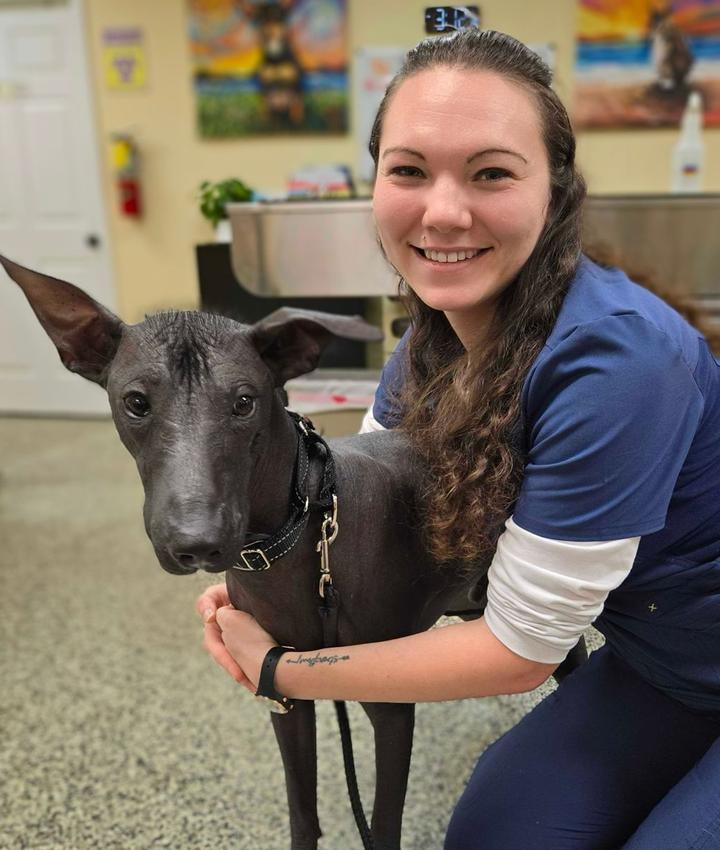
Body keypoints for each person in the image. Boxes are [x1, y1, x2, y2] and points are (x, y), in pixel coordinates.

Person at [195, 28, 720, 849]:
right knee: (494, 835)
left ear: (556, 189)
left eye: (491, 173)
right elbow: (360, 509)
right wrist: (269, 576)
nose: (443, 210)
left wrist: (277, 667)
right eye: (408, 169)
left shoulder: (616, 363)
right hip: (661, 662)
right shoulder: (429, 346)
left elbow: (519, 653)